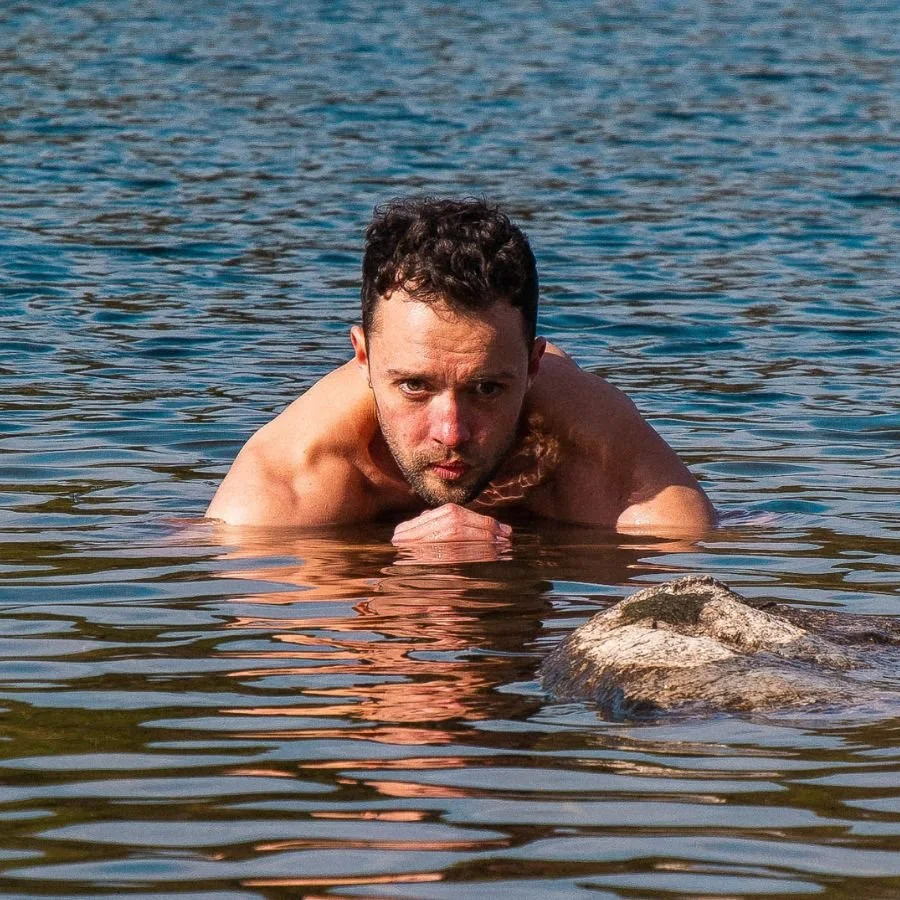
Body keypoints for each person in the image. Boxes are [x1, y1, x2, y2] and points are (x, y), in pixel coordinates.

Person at [206, 197, 716, 543]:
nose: (451, 432)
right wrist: (400, 568)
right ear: (363, 359)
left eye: (487, 389)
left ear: (534, 366)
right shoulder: (286, 486)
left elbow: (685, 544)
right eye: (414, 386)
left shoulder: (591, 451)